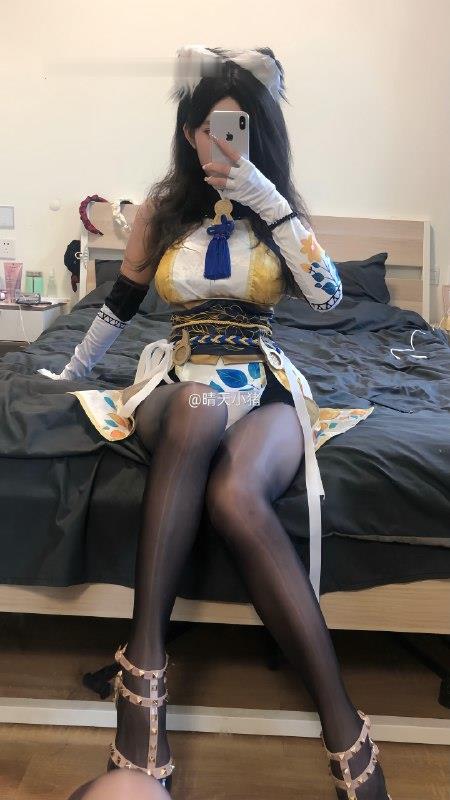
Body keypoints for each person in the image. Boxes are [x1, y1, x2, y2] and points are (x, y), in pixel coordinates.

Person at [39, 45, 391, 800]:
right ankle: (146, 668)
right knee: (197, 407)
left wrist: (270, 201)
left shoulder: (278, 210)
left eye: (235, 128)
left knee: (235, 496)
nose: (219, 142)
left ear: (258, 134)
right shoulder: (161, 212)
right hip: (180, 380)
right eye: (207, 127)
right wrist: (70, 370)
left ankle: (343, 725)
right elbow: (120, 303)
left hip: (264, 384)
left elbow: (329, 297)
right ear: (189, 132)